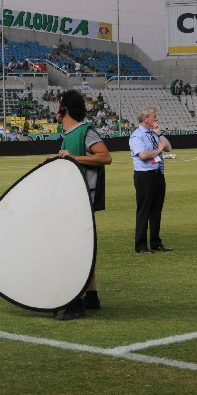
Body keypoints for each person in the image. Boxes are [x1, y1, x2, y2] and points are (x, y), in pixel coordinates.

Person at [50, 89, 112, 320]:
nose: (56, 111)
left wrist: (74, 158)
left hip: (80, 200)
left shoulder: (85, 131)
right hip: (76, 199)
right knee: (83, 248)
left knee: (73, 250)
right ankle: (92, 296)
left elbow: (105, 157)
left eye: (58, 106)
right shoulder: (70, 134)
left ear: (65, 109)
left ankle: (74, 303)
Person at [129, 106, 173, 255]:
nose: (156, 118)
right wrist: (158, 149)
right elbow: (143, 155)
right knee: (144, 210)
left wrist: (159, 134)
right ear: (145, 118)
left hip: (157, 174)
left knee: (156, 210)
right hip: (144, 175)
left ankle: (155, 242)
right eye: (154, 116)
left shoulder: (153, 133)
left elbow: (169, 148)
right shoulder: (137, 136)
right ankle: (140, 245)